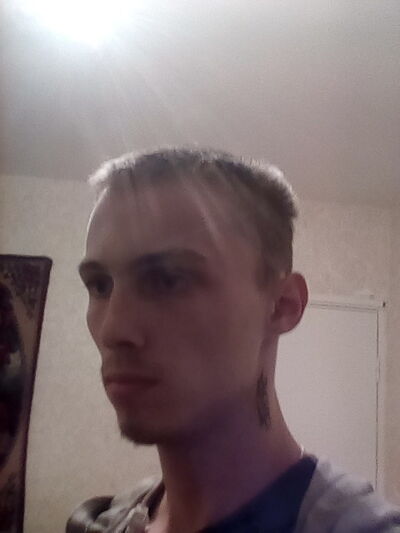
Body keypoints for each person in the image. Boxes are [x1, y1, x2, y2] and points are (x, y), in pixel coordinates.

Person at [68, 148, 400, 532]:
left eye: (168, 279)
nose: (113, 330)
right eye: (99, 285)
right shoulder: (106, 519)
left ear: (282, 306)